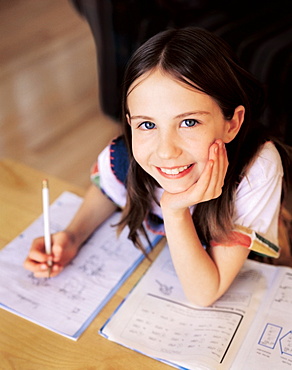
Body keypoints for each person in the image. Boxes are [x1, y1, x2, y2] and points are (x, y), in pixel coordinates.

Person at [24, 27, 290, 307]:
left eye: (189, 122)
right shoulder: (130, 153)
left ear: (231, 123)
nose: (166, 151)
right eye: (147, 124)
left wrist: (174, 210)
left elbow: (204, 293)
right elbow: (109, 189)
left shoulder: (256, 169)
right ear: (130, 122)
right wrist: (73, 236)